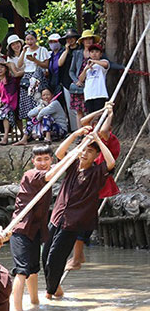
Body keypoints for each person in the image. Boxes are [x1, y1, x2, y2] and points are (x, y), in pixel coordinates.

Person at [42, 126, 116, 299]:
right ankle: (56, 289)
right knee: (44, 256)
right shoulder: (72, 165)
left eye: (90, 151)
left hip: (73, 222)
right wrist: (76, 134)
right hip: (56, 217)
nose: (85, 154)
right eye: (83, 150)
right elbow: (60, 153)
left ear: (96, 156)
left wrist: (98, 140)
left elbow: (111, 163)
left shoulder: (97, 172)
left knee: (55, 257)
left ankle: (49, 294)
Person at [66, 103, 121, 271]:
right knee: (79, 218)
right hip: (86, 181)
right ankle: (79, 255)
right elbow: (84, 121)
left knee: (82, 219)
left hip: (99, 182)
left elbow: (103, 131)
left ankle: (77, 258)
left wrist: (110, 114)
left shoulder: (108, 139)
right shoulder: (92, 135)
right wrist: (102, 110)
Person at [9, 145, 55, 311]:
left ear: (51, 160)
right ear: (33, 161)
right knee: (22, 271)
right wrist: (69, 158)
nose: (42, 163)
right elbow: (48, 175)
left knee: (34, 270)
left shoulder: (50, 175)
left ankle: (35, 304)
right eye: (39, 159)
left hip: (35, 230)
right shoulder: (31, 174)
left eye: (46, 159)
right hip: (21, 229)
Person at [57, 29, 81, 130]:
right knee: (70, 107)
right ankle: (75, 129)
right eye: (68, 38)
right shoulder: (64, 51)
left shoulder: (81, 49)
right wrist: (66, 50)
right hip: (67, 82)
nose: (70, 40)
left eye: (72, 38)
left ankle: (83, 129)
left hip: (79, 81)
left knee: (80, 107)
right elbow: (59, 63)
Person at [78, 42, 109, 115]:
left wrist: (93, 61)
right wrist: (86, 69)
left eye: (97, 52)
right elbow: (81, 79)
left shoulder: (102, 62)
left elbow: (106, 65)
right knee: (91, 115)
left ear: (101, 54)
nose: (94, 54)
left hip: (100, 94)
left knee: (99, 115)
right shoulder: (87, 66)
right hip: (89, 95)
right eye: (92, 52)